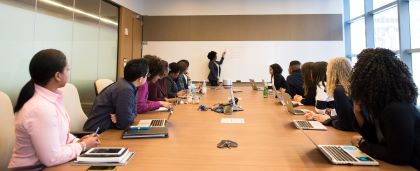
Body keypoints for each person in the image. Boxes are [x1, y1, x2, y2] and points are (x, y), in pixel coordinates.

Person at [8, 49, 100, 169]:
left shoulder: (50, 99)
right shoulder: (41, 108)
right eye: (67, 69)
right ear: (57, 76)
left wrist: (76, 140)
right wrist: (82, 146)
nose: (69, 72)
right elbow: (52, 158)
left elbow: (58, 134)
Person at [349, 48, 419, 169]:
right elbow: (376, 140)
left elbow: (399, 157)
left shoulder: (397, 109)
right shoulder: (383, 106)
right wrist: (357, 113)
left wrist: (362, 144)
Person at [84, 59, 149, 132]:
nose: (147, 77)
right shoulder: (125, 89)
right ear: (140, 79)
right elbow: (125, 123)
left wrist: (121, 117)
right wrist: (124, 118)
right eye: (147, 75)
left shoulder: (125, 85)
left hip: (105, 128)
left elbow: (133, 114)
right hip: (98, 132)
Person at [305, 57, 357, 131]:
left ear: (332, 72)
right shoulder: (352, 86)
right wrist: (321, 117)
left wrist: (328, 121)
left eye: (327, 70)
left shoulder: (339, 90)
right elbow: (348, 116)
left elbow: (346, 125)